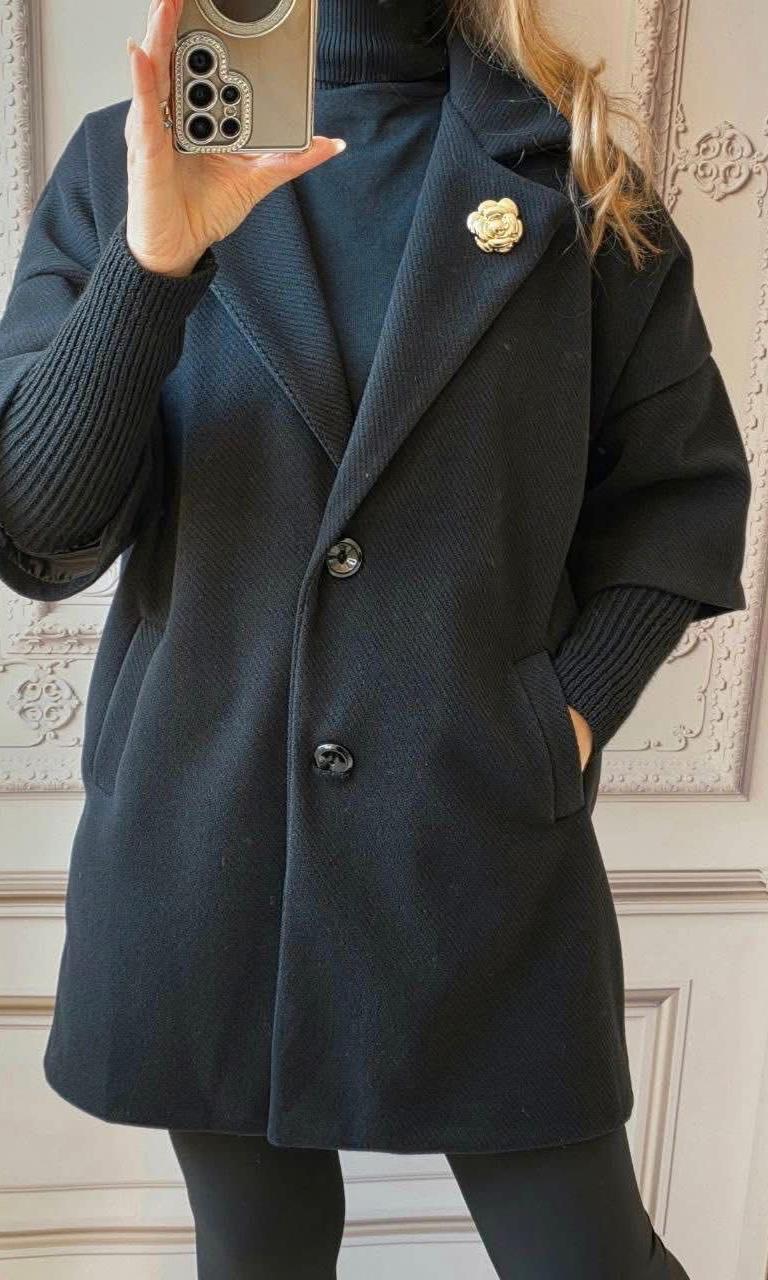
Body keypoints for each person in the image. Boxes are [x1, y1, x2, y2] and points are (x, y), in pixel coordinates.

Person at [0, 0, 751, 1275]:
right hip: (204, 843)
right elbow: (40, 521)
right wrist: (150, 266)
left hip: (479, 839)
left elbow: (677, 502)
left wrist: (562, 720)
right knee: (260, 1252)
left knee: (587, 1256)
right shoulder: (131, 158)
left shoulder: (569, 176)